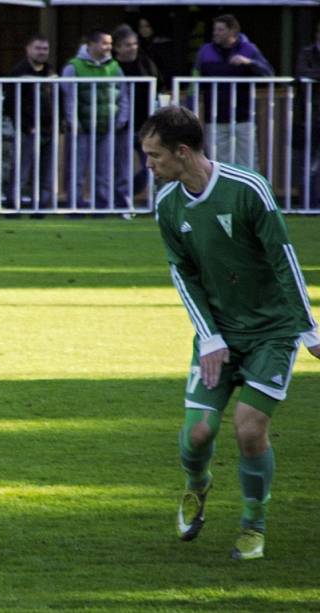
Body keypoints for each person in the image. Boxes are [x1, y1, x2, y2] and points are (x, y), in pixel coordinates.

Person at [140, 105, 320, 561]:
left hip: (272, 334)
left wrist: (308, 328)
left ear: (183, 152)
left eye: (154, 155)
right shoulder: (167, 205)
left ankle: (252, 524)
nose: (149, 164)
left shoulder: (247, 189)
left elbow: (283, 258)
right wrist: (211, 337)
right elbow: (183, 274)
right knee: (198, 434)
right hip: (218, 332)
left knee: (248, 430)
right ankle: (197, 485)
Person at [194, 14, 274, 170]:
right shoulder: (205, 51)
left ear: (232, 32)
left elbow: (268, 73)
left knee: (248, 162)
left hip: (244, 118)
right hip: (215, 118)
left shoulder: (249, 49)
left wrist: (249, 62)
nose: (215, 33)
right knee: (218, 165)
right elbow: (194, 80)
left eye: (220, 29)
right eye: (215, 29)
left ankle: (250, 194)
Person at [61, 29, 130, 209]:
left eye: (110, 43)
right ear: (91, 44)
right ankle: (74, 206)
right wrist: (73, 122)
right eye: (105, 43)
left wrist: (121, 119)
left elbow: (123, 95)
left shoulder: (114, 67)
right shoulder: (74, 66)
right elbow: (68, 98)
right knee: (77, 170)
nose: (109, 47)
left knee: (105, 171)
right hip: (82, 127)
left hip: (107, 127)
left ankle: (102, 206)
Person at [3, 34, 56, 209]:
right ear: (28, 49)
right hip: (28, 130)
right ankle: (13, 206)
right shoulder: (18, 72)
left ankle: (41, 206)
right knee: (21, 171)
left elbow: (58, 100)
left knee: (46, 173)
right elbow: (10, 103)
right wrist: (26, 126)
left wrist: (59, 123)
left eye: (45, 49)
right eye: (38, 48)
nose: (42, 52)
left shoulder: (51, 73)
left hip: (49, 128)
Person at [112, 24, 162, 197]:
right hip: (123, 125)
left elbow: (159, 86)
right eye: (128, 44)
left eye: (134, 44)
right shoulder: (112, 67)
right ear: (117, 47)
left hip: (146, 125)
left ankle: (128, 195)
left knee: (153, 166)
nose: (133, 48)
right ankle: (121, 202)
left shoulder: (145, 62)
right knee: (122, 169)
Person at [294, 20, 320, 209]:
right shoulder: (306, 53)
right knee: (308, 164)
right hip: (310, 117)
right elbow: (302, 73)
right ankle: (307, 205)